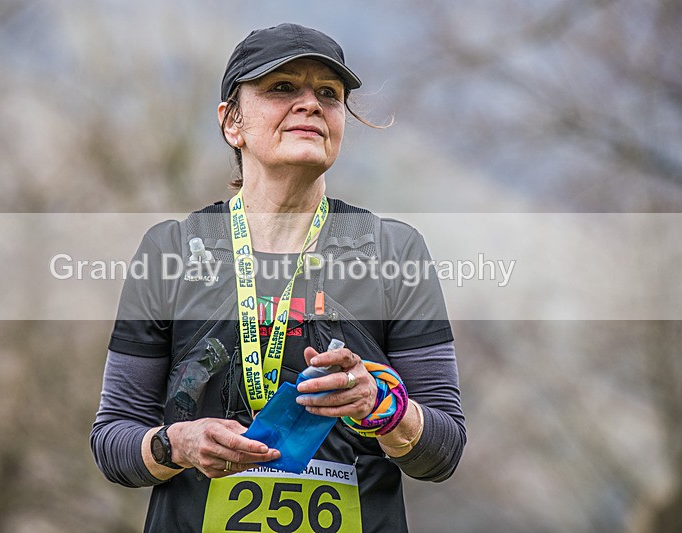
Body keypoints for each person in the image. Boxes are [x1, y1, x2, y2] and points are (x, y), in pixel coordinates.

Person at [91, 22, 465, 532]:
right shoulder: (171, 251)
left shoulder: (393, 252)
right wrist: (176, 443)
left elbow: (444, 451)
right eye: (282, 87)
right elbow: (113, 441)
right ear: (232, 122)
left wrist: (380, 406)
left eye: (328, 94)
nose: (310, 104)